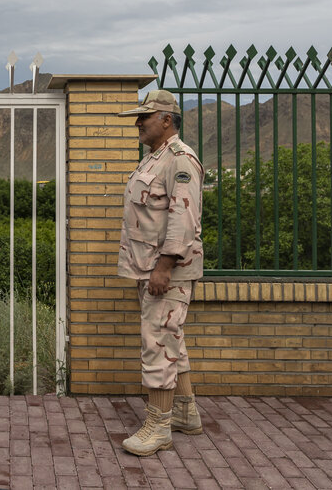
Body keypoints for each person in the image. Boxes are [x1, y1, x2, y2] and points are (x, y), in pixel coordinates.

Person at [116, 89, 205, 456]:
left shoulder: (180, 160)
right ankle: (185, 413)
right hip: (149, 268)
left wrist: (164, 267)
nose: (138, 123)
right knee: (171, 341)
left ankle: (158, 427)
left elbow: (183, 220)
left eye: (145, 117)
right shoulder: (155, 158)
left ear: (166, 120)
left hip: (165, 271)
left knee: (158, 343)